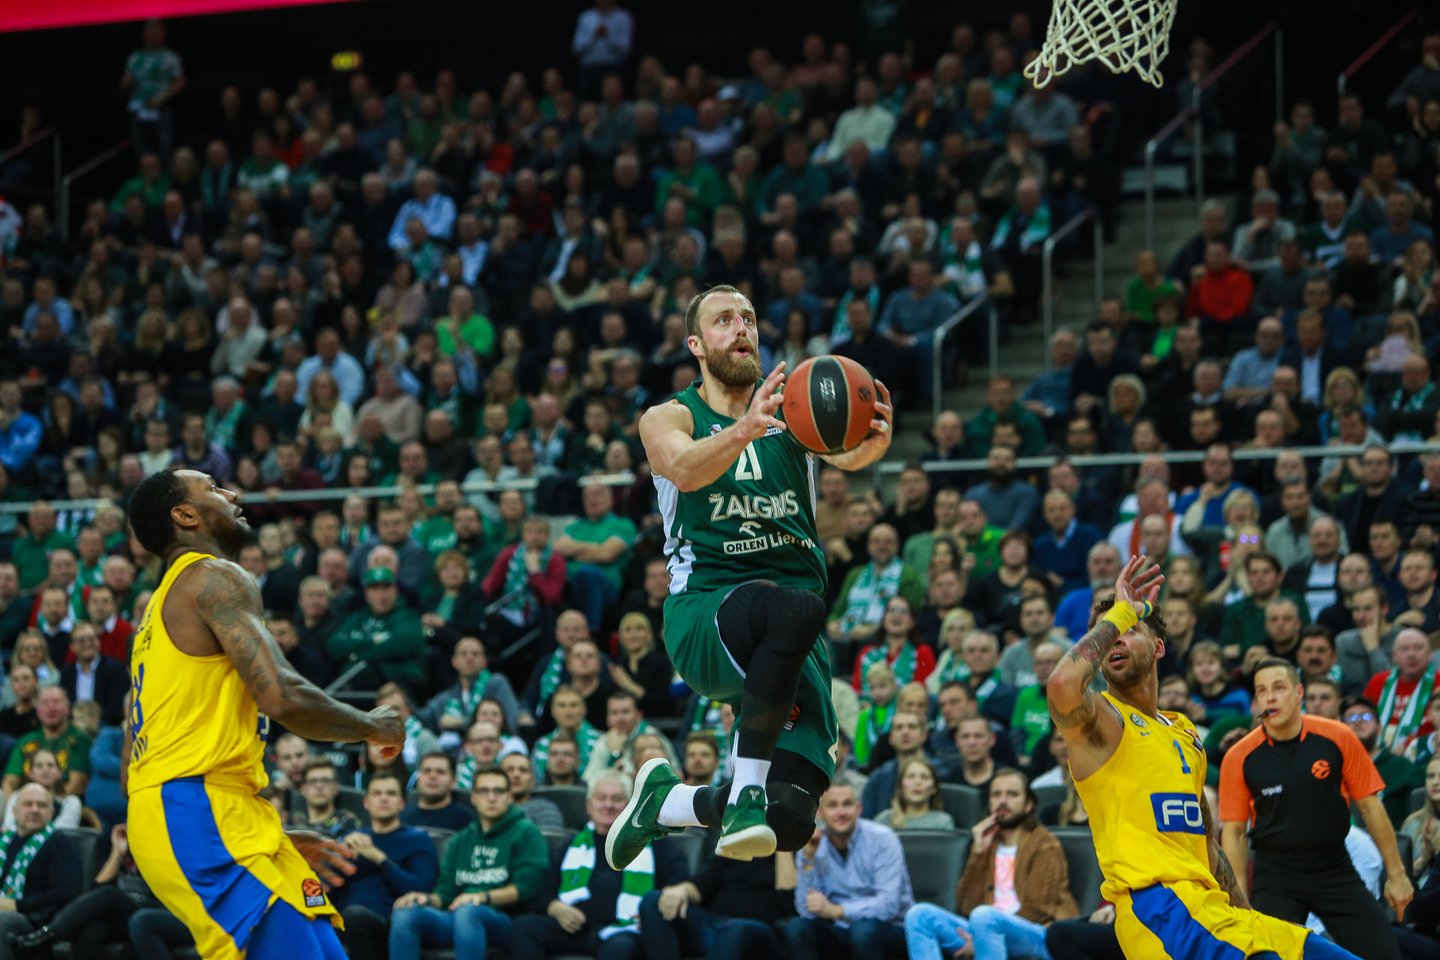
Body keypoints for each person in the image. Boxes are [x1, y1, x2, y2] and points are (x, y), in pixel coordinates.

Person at [611, 285, 892, 868]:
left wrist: (866, 445)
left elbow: (840, 454)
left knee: (788, 818)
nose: (741, 328)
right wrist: (744, 429)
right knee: (792, 607)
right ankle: (743, 794)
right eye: (723, 320)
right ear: (695, 344)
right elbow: (683, 469)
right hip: (706, 614)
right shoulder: (670, 416)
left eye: (748, 318)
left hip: (795, 628)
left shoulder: (792, 409)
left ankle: (666, 803)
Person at [123, 468, 406, 960]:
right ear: (185, 515)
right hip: (194, 809)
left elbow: (135, 748)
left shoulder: (159, 609)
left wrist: (268, 833)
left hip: (212, 811)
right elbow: (282, 696)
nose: (231, 494)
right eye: (213, 488)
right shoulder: (213, 577)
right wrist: (372, 725)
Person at [1047, 555, 1359, 959]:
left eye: (1130, 631)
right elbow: (1062, 683)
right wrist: (1123, 613)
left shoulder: (1184, 732)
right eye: (1111, 634)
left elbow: (1207, 845)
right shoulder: (1103, 721)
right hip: (1159, 909)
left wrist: (1244, 914)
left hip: (1214, 909)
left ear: (1159, 647)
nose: (1117, 638)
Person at [1219, 659, 1409, 960]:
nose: (1270, 697)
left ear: (1299, 694)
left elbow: (1371, 807)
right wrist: (1237, 897)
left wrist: (1397, 874)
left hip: (1333, 868)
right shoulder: (1240, 756)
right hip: (1275, 873)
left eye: (1278, 688)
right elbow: (1234, 831)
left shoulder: (1338, 737)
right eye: (1261, 691)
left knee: (1385, 954)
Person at [511, 770, 690, 960]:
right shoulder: (570, 845)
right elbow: (544, 890)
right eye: (601, 798)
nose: (608, 805)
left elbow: (678, 876)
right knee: (524, 927)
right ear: (589, 805)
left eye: (617, 799)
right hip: (575, 930)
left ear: (630, 805)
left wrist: (652, 913)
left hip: (625, 931)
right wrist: (557, 908)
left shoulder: (653, 842)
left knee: (620, 948)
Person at [904, 768, 1078, 960]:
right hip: (983, 927)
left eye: (1012, 794)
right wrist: (979, 853)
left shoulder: (1045, 844)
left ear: (1028, 804)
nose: (1002, 801)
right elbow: (965, 906)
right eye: (996, 795)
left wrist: (980, 939)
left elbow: (1038, 909)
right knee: (919, 915)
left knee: (984, 916)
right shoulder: (987, 843)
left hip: (1036, 934)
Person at [389, 766, 548, 960]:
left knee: (469, 911)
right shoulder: (460, 840)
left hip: (507, 922)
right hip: (459, 917)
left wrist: (482, 897)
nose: (491, 798)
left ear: (509, 797)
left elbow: (528, 887)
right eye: (484, 791)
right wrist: (425, 899)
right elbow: (446, 892)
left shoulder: (527, 832)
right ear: (473, 797)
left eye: (498, 791)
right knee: (406, 913)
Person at [785, 780, 911, 960]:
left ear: (858, 809)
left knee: (863, 931)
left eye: (847, 804)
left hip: (889, 930)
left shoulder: (883, 839)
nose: (841, 812)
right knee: (797, 927)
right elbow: (806, 911)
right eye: (833, 805)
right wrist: (809, 859)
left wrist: (837, 911)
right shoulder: (812, 844)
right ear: (819, 812)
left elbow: (889, 905)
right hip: (841, 930)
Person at [331, 773, 439, 960]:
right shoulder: (353, 839)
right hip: (344, 919)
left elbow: (421, 888)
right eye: (377, 793)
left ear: (401, 803)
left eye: (391, 793)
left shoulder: (417, 840)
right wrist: (340, 854)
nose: (383, 798)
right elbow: (329, 889)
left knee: (355, 916)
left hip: (391, 924)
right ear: (366, 802)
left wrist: (379, 858)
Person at [0, 784, 81, 952]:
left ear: (51, 813)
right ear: (14, 811)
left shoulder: (58, 841)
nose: (35, 810)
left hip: (34, 919)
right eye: (28, 804)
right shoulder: (5, 841)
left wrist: (16, 905)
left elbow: (66, 893)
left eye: (42, 805)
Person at [401, 751, 474, 832]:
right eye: (427, 771)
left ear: (453, 781)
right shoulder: (400, 817)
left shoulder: (469, 822)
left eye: (440, 772)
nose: (432, 776)